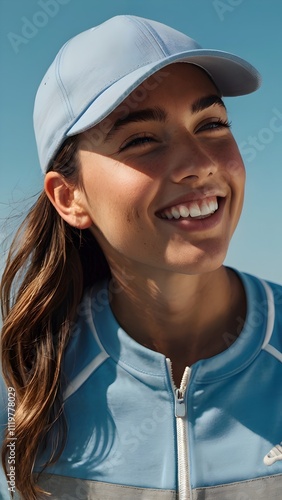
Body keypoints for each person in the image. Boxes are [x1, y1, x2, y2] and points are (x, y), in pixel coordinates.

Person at [1, 13, 282, 500]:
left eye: (212, 123)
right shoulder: (20, 387)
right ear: (70, 197)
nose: (200, 164)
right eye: (142, 139)